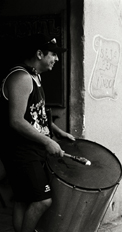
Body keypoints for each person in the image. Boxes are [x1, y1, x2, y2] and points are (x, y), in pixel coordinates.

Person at [0, 33, 75, 232]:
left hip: (30, 148)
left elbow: (36, 112)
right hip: (21, 151)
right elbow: (16, 121)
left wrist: (57, 132)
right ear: (40, 53)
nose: (56, 59)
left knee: (23, 200)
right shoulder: (21, 77)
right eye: (53, 54)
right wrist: (47, 142)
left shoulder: (35, 76)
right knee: (43, 201)